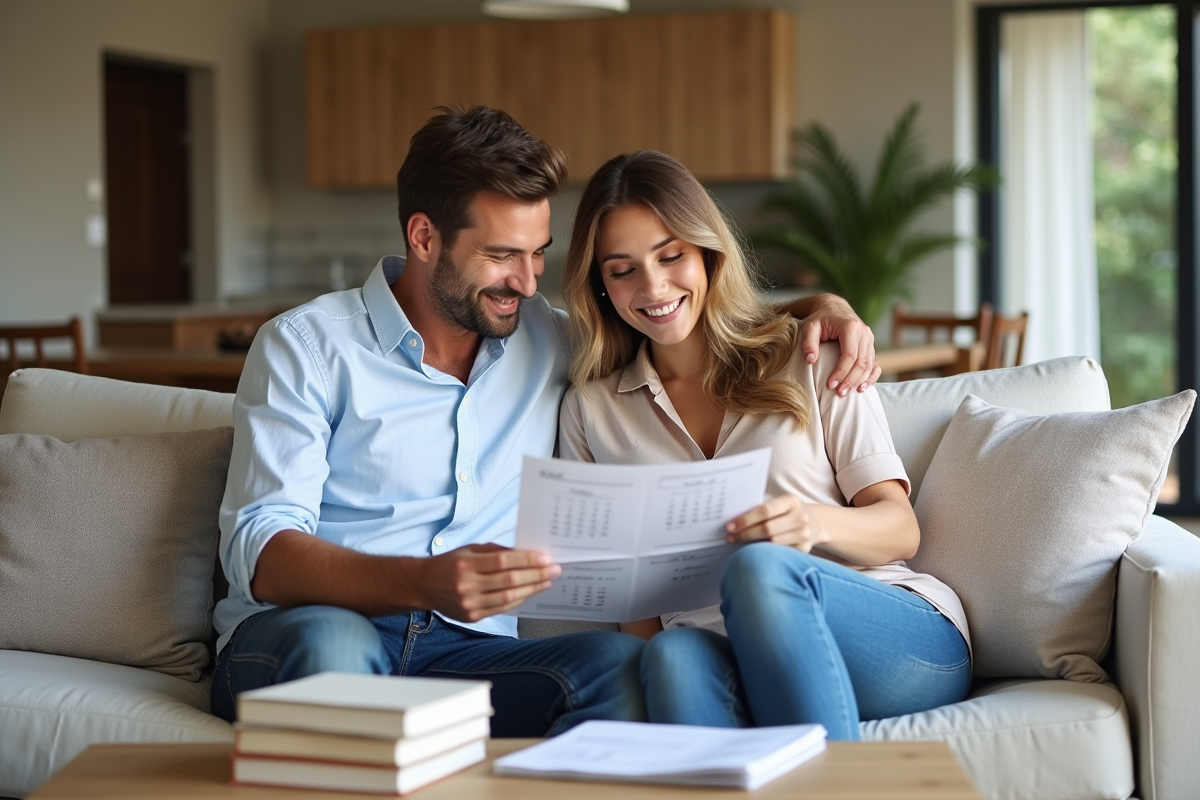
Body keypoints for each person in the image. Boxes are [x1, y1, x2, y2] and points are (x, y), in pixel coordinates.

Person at [210, 107, 881, 736]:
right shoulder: (305, 347)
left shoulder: (549, 340)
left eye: (539, 254)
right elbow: (259, 550)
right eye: (503, 255)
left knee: (623, 668)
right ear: (423, 237)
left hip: (471, 654)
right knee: (335, 647)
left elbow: (679, 312)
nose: (529, 282)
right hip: (312, 631)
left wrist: (823, 307)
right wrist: (422, 581)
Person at [557, 149, 971, 740]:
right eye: (622, 270)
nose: (652, 286)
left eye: (671, 256)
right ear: (600, 284)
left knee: (759, 570)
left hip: (889, 633)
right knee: (669, 660)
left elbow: (899, 529)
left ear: (707, 254)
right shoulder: (590, 411)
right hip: (721, 651)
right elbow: (631, 603)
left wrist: (810, 524)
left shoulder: (810, 355)